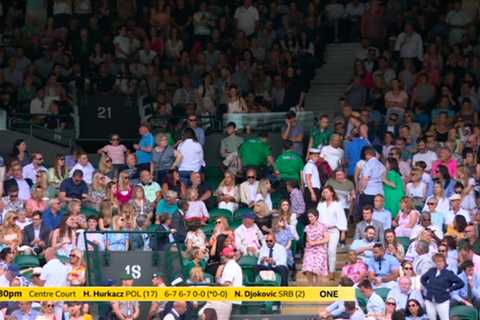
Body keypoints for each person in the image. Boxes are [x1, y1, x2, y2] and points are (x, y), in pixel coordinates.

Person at [421, 253, 464, 320]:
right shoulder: (431, 271)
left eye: (440, 261)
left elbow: (460, 283)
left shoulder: (448, 273)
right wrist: (428, 287)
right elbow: (422, 279)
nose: (438, 263)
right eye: (436, 261)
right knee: (431, 318)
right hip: (430, 300)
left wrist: (450, 289)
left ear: (444, 262)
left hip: (442, 300)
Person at [317, 185, 348, 280]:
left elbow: (342, 218)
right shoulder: (320, 205)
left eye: (326, 192)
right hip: (322, 231)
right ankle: (324, 270)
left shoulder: (337, 204)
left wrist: (343, 231)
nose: (325, 194)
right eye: (323, 192)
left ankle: (332, 271)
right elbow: (317, 217)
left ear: (332, 193)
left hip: (333, 230)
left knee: (331, 251)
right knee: (323, 252)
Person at [302, 208, 329, 285]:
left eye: (311, 216)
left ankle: (318, 289)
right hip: (310, 250)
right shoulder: (307, 227)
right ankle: (311, 287)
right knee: (308, 268)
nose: (310, 218)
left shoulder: (323, 226)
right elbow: (308, 239)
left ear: (316, 216)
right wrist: (311, 242)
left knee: (317, 269)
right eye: (309, 217)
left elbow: (326, 239)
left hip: (320, 249)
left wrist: (316, 242)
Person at [357, 147, 386, 220]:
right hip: (379, 192)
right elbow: (384, 178)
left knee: (366, 213)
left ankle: (366, 229)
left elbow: (365, 179)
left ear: (367, 155)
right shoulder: (382, 165)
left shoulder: (368, 164)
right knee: (376, 213)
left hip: (368, 192)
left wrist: (361, 190)